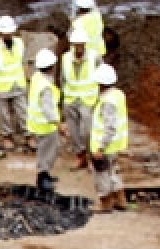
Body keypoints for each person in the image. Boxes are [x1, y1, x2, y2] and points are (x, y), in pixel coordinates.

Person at [89, 63, 128, 212]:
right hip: (115, 145)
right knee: (113, 171)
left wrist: (100, 147)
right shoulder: (118, 95)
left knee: (102, 174)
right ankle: (120, 200)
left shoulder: (107, 101)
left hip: (105, 146)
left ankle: (105, 203)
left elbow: (109, 126)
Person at [60, 27, 99, 170]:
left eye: (81, 44)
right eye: (76, 44)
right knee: (74, 131)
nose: (79, 47)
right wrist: (62, 100)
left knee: (87, 130)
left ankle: (90, 157)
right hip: (70, 99)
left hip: (87, 99)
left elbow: (100, 78)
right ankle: (80, 156)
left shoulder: (94, 57)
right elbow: (62, 80)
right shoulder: (65, 58)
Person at [0, 15, 27, 152]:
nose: (8, 34)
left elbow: (24, 63)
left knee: (23, 111)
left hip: (19, 84)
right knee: (4, 114)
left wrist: (27, 80)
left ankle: (28, 135)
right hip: (3, 87)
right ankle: (7, 136)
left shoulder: (20, 43)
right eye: (5, 32)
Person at [26, 48, 61, 191]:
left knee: (44, 151)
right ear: (52, 67)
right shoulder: (46, 86)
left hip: (37, 124)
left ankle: (45, 174)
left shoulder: (37, 77)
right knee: (47, 152)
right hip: (46, 125)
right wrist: (58, 124)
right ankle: (42, 178)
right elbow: (47, 109)